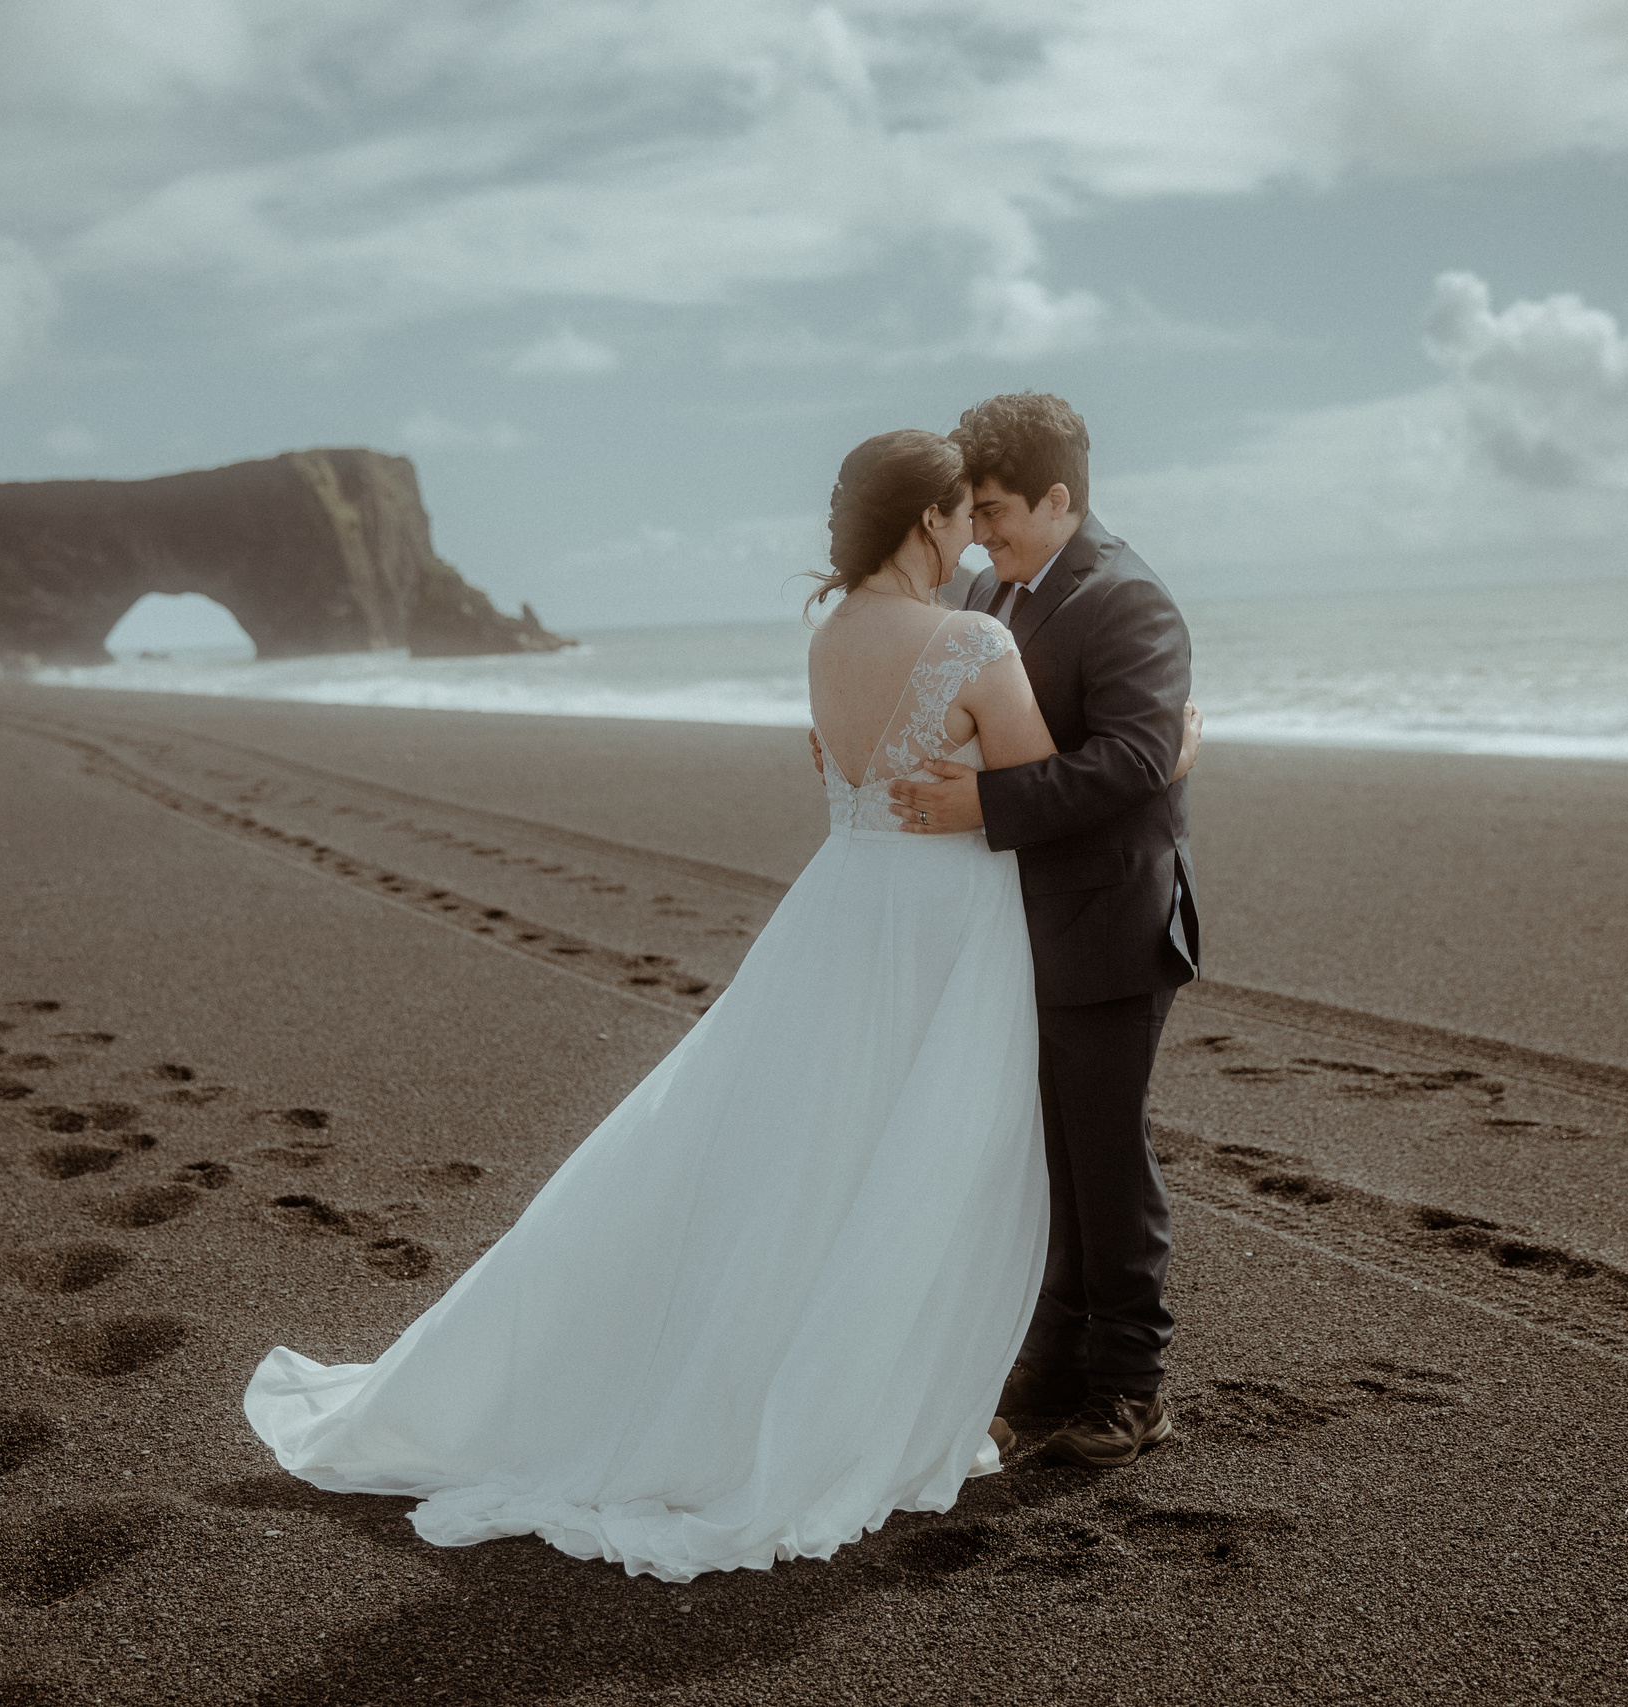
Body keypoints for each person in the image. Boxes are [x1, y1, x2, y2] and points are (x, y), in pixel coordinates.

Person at [242, 428, 1199, 1582]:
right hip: (943, 929)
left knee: (810, 1149)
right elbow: (1036, 772)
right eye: (959, 517)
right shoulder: (975, 636)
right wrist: (1174, 755)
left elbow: (860, 772)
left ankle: (792, 1375)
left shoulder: (831, 636)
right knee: (926, 1157)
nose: (972, 539)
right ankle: (867, 1400)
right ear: (923, 522)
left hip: (844, 911)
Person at [885, 393, 1201, 1470]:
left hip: (1111, 921)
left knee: (1105, 1162)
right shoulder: (990, 591)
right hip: (1020, 925)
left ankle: (1132, 1388)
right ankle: (1052, 1366)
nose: (977, 533)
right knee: (1049, 1159)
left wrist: (985, 808)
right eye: (968, 513)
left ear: (1060, 498)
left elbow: (1133, 759)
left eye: (995, 510)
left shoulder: (1131, 602)